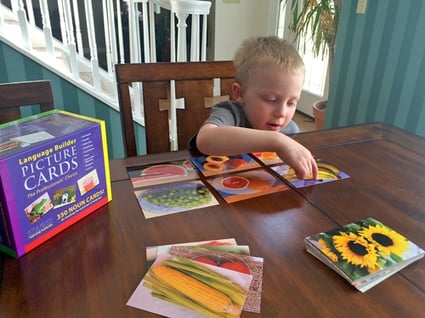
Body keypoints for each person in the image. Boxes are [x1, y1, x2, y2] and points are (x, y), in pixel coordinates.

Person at [190, 36, 318, 180]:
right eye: (271, 100)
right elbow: (205, 140)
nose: (282, 113)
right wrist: (277, 141)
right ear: (239, 93)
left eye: (291, 103)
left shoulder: (290, 130)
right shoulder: (230, 113)